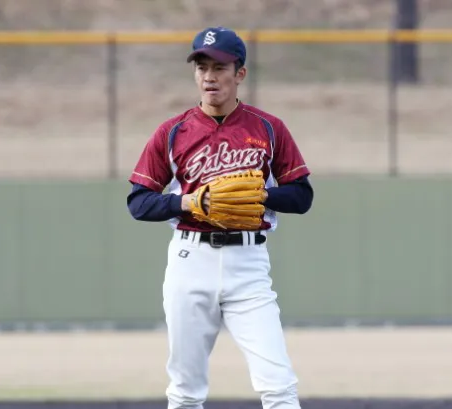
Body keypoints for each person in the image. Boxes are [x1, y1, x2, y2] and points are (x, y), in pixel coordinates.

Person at [126, 26, 314, 409]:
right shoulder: (172, 132)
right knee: (185, 390)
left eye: (220, 67)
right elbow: (139, 202)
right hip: (190, 260)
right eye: (202, 67)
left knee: (279, 385)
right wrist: (188, 203)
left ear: (239, 73)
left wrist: (261, 196)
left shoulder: (268, 128)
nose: (209, 76)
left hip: (249, 264)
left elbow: (302, 195)